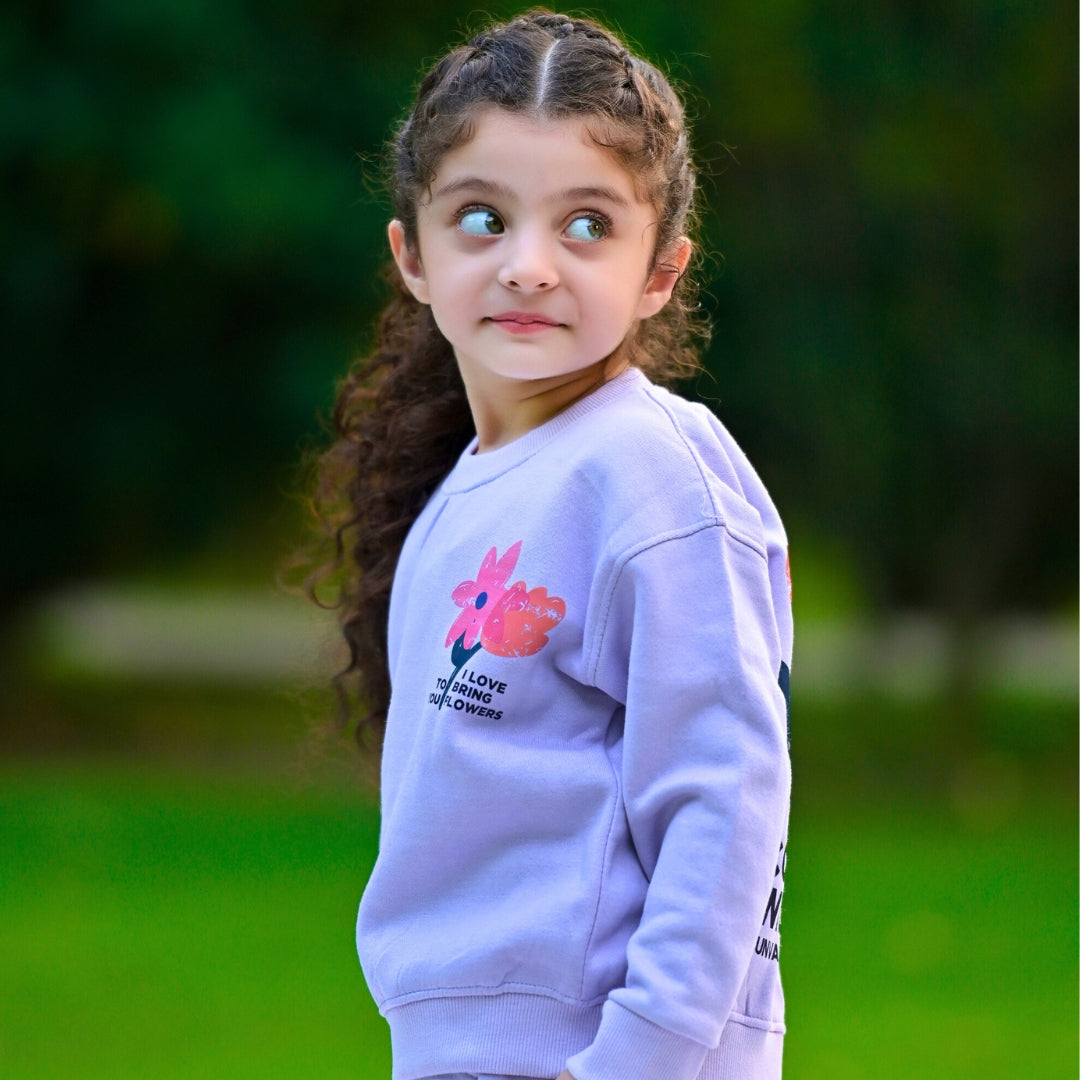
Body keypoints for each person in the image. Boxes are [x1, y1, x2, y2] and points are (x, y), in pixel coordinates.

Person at [310, 10, 793, 1080]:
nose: (528, 266)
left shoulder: (652, 472)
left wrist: (634, 1061)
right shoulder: (467, 491)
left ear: (660, 270)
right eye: (482, 218)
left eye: (586, 225)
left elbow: (726, 802)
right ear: (413, 255)